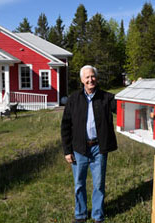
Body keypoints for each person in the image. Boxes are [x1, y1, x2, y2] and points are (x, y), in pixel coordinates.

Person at [61, 65, 117, 223]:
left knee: (99, 184)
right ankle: (80, 215)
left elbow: (123, 106)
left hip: (99, 148)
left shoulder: (106, 98)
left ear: (96, 78)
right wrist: (67, 150)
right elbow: (65, 126)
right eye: (87, 77)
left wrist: (134, 88)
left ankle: (98, 216)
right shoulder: (73, 99)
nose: (90, 79)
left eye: (92, 76)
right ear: (81, 80)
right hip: (79, 148)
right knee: (79, 184)